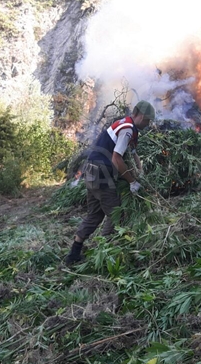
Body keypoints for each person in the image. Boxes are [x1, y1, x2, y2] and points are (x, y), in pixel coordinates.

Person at [64, 100, 155, 266]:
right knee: (116, 215)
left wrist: (140, 173)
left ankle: (74, 253)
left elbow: (133, 153)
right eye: (147, 120)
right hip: (101, 174)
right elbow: (117, 158)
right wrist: (132, 182)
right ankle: (105, 254)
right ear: (140, 115)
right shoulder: (127, 129)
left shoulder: (124, 125)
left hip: (91, 171)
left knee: (94, 215)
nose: (148, 124)